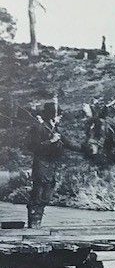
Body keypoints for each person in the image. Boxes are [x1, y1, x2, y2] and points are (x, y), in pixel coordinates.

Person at [26, 97, 64, 228]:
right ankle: (34, 224)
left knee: (46, 196)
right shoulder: (38, 128)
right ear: (52, 116)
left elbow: (68, 143)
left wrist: (84, 149)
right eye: (59, 115)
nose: (60, 118)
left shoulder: (55, 129)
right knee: (38, 194)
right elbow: (33, 147)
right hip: (41, 166)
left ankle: (37, 221)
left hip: (51, 168)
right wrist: (51, 141)